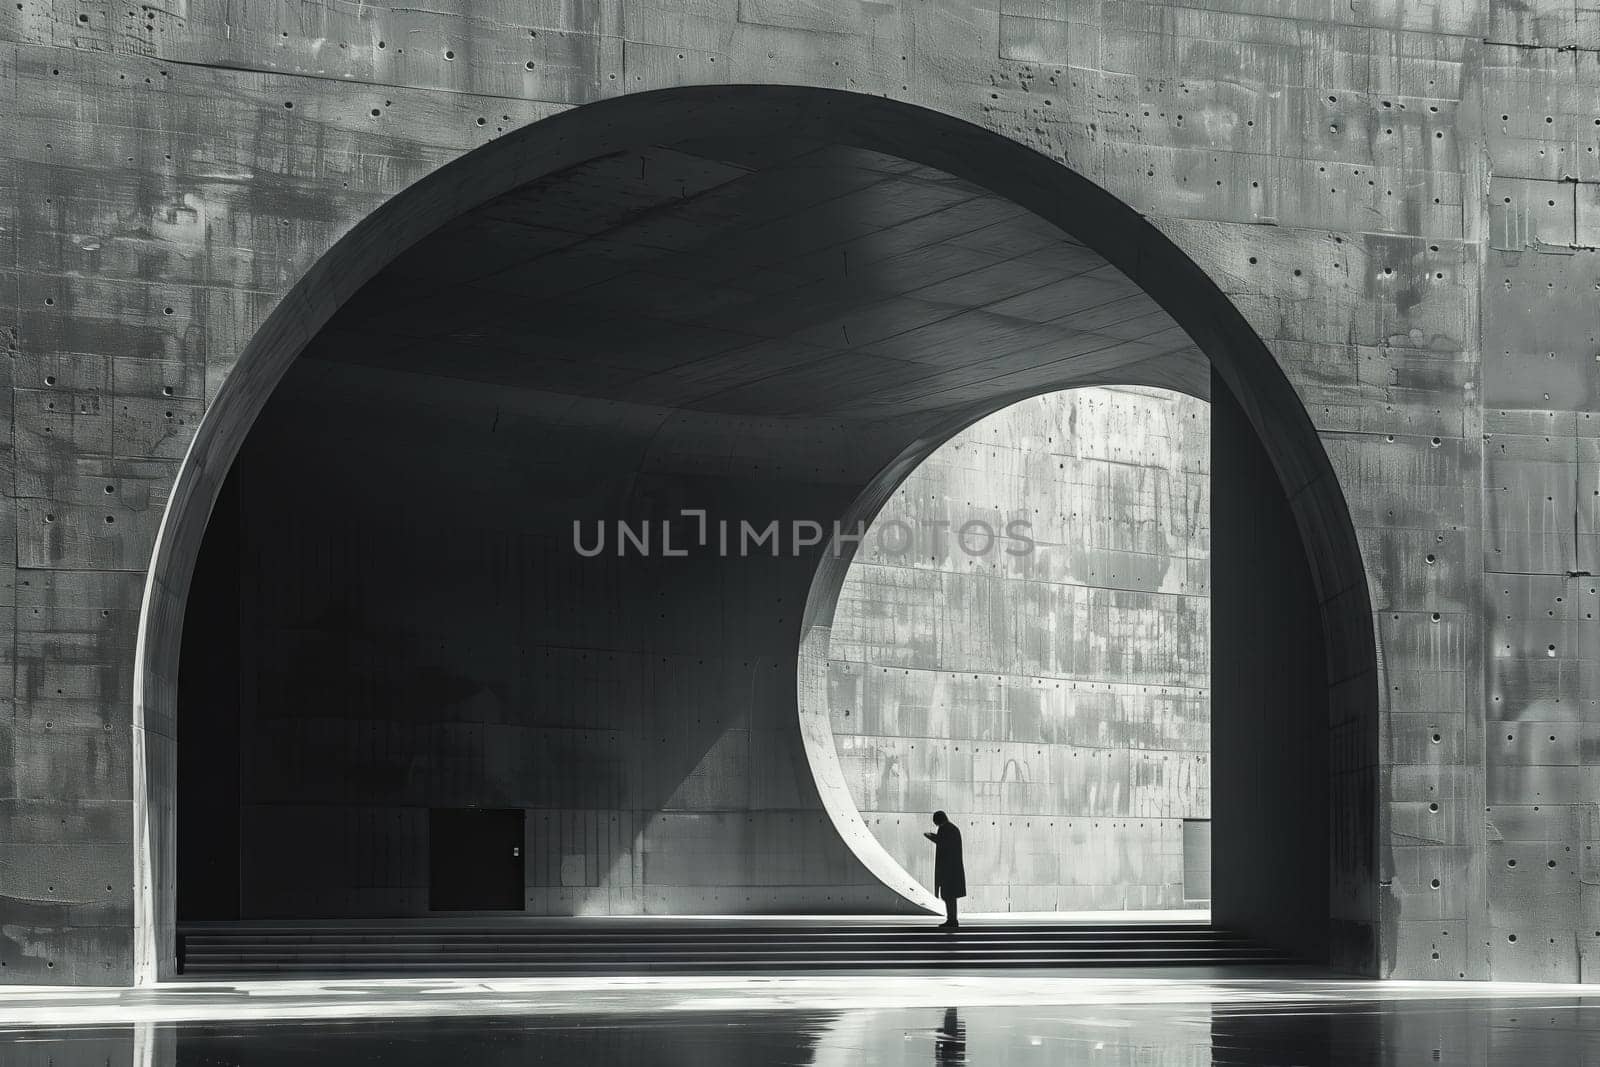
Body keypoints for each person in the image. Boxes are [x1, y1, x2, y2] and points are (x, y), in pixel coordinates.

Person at [923, 810, 965, 929]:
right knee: (950, 896)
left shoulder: (945, 829)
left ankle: (951, 920)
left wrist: (932, 837)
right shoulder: (953, 828)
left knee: (948, 895)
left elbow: (943, 844)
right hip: (953, 868)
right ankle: (952, 919)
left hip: (947, 869)